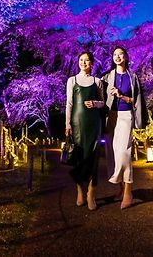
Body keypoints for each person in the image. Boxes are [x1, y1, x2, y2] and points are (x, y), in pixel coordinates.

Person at [102, 46, 147, 209]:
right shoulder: (106, 77)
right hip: (110, 117)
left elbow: (136, 100)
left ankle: (128, 191)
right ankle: (121, 189)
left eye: (120, 54)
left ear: (126, 57)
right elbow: (100, 98)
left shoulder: (133, 77)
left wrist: (121, 96)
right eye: (115, 54)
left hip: (126, 116)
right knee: (112, 155)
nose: (117, 56)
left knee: (124, 153)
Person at [65, 51, 105, 210]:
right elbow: (69, 104)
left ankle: (91, 193)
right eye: (81, 60)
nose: (84, 62)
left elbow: (103, 103)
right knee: (78, 158)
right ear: (78, 62)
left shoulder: (97, 81)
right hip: (76, 124)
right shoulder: (72, 80)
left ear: (92, 63)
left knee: (93, 159)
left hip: (93, 124)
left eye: (87, 60)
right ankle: (79, 191)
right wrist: (67, 124)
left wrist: (95, 103)